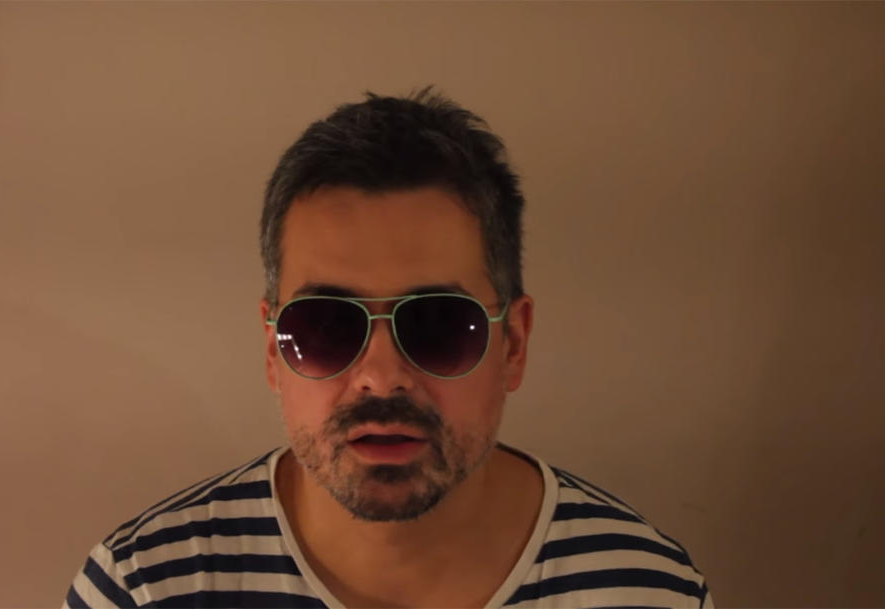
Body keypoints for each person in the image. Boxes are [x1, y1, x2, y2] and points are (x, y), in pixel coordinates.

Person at [64, 88, 713, 608]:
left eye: (437, 324)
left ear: (513, 343)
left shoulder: (650, 593)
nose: (380, 377)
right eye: (325, 326)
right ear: (272, 350)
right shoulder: (142, 588)